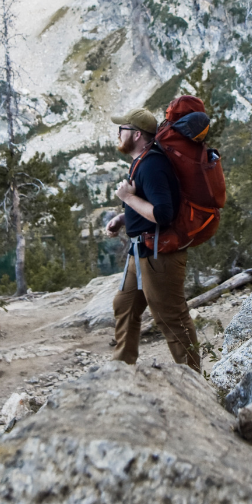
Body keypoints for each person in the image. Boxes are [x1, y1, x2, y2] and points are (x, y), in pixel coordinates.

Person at [106, 107, 200, 372]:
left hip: (160, 254)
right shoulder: (141, 160)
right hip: (142, 250)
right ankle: (121, 370)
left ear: (136, 135)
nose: (118, 132)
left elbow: (163, 213)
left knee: (170, 317)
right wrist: (123, 218)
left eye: (122, 128)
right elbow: (148, 203)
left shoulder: (152, 165)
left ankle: (194, 378)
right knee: (124, 305)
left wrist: (127, 198)